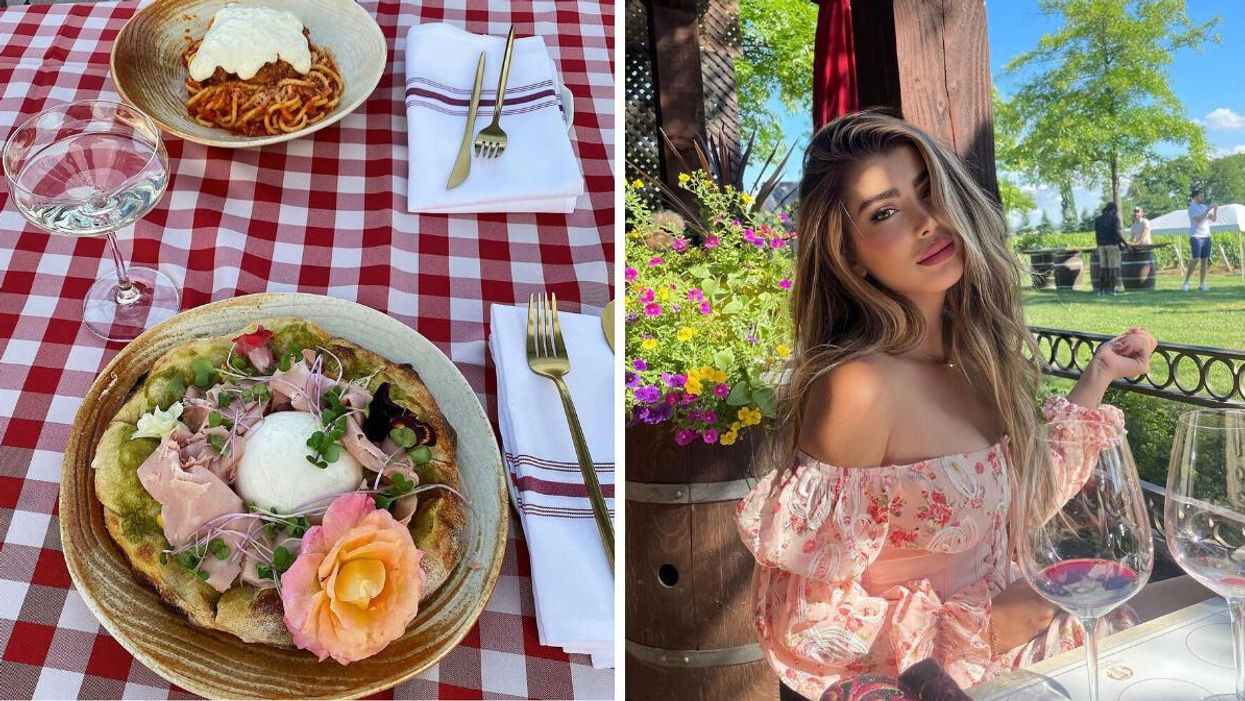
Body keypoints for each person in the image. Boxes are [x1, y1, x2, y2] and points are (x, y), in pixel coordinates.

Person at [732, 112, 1198, 701]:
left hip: (1038, 648)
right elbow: (807, 627)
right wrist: (992, 623)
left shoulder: (974, 360)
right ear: (849, 254)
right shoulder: (858, 387)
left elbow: (1019, 499)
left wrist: (1099, 375)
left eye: (930, 191)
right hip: (945, 685)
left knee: (1211, 609)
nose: (927, 221)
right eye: (884, 212)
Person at [1182, 187, 1216, 291]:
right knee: (1196, 258)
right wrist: (1208, 209)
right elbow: (1199, 220)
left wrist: (1215, 210)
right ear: (1195, 196)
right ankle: (1186, 282)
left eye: (1203, 196)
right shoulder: (1192, 208)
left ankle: (1202, 284)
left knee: (1205, 260)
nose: (1203, 198)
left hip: (1206, 237)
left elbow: (1213, 219)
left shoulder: (1203, 207)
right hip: (1196, 237)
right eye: (1201, 196)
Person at [1093, 202, 1126, 295]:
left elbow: (1097, 235)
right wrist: (1126, 245)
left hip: (1101, 246)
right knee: (1113, 268)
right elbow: (1117, 234)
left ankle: (1101, 290)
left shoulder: (1098, 219)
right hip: (1112, 245)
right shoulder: (1114, 219)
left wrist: (1098, 246)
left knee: (1103, 268)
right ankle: (1112, 290)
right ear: (1114, 209)